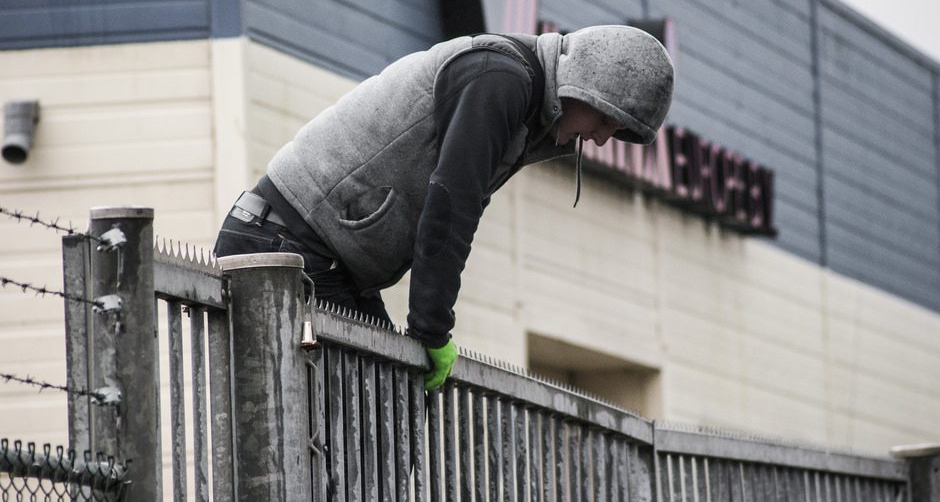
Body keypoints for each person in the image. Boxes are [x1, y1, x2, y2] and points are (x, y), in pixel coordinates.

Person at [213, 25, 674, 389]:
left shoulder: (523, 103)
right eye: (605, 119)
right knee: (366, 426)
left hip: (326, 260)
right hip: (284, 245)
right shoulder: (501, 79)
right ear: (582, 84)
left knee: (383, 422)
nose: (599, 137)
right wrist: (431, 332)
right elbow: (453, 205)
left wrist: (428, 331)